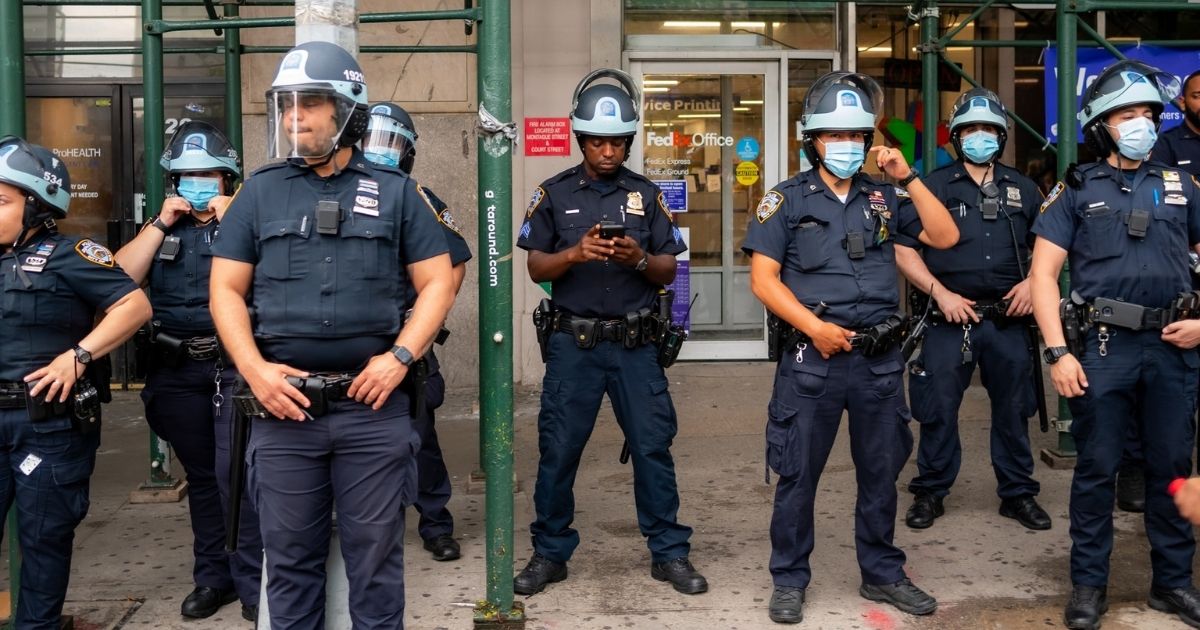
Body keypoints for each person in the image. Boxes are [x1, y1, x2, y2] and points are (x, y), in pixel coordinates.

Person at [209, 41, 455, 629]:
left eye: (310, 104)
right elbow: (224, 291)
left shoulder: (397, 193)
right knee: (289, 563)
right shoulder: (259, 192)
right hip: (283, 412)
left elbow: (439, 283)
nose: (294, 118)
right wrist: (255, 371)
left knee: (375, 563)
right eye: (287, 106)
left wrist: (400, 357)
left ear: (347, 110)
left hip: (372, 412)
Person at [743, 71, 958, 624]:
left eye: (856, 135)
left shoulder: (886, 196)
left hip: (879, 363)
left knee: (880, 473)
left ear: (869, 141)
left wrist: (909, 176)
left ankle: (882, 573)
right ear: (811, 139)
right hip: (812, 362)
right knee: (797, 476)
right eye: (833, 135)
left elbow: (944, 237)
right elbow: (764, 281)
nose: (846, 145)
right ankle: (789, 578)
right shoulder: (785, 200)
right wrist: (812, 328)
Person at [513, 68, 706, 597]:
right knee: (559, 450)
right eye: (598, 141)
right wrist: (576, 253)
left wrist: (638, 257)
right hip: (573, 347)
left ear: (628, 142)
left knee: (652, 448)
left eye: (617, 142)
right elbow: (536, 269)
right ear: (582, 140)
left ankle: (668, 552)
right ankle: (550, 553)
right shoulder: (552, 194)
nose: (607, 151)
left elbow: (669, 269)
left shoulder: (646, 195)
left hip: (635, 347)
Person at [1030, 59, 1200, 630]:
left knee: (1171, 466)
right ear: (1102, 126)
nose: (1142, 124)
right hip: (1101, 350)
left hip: (1175, 346)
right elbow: (1043, 277)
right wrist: (1058, 353)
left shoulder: (1181, 185)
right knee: (1098, 470)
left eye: (1149, 113)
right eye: (1127, 114)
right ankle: (1088, 586)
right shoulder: (1076, 189)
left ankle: (1173, 584)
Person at [113, 121, 263, 621]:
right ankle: (212, 578)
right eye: (187, 176)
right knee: (203, 478)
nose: (198, 184)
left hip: (233, 368)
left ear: (228, 178)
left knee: (238, 474)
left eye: (208, 175)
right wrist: (157, 224)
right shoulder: (161, 230)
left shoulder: (247, 218)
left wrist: (237, 217)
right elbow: (115, 280)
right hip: (178, 371)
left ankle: (252, 582)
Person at [0, 136, 151, 628]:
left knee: (44, 540)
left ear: (36, 205)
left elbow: (134, 305)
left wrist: (79, 355)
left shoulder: (73, 254)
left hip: (46, 423)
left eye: (2, 201)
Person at [898, 88, 1050, 532]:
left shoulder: (1023, 187)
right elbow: (904, 250)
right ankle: (930, 490)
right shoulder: (932, 188)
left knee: (1013, 409)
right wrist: (939, 292)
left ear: (1000, 137)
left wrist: (1031, 283)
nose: (978, 136)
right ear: (957, 136)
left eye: (987, 129)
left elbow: (1049, 248)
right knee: (938, 407)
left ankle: (1018, 494)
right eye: (970, 129)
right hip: (948, 318)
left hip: (1008, 320)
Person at [362, 102, 471, 562]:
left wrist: (426, 321)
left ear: (407, 153)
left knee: (419, 437)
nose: (381, 152)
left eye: (393, 144)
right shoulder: (339, 191)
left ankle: (435, 523)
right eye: (373, 141)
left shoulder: (419, 197)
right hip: (351, 341)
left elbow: (456, 263)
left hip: (406, 344)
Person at [1119, 69, 1200, 514]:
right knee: (1147, 398)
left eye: (1147, 114)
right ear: (1184, 101)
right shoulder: (1168, 152)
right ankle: (1136, 470)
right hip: (1170, 287)